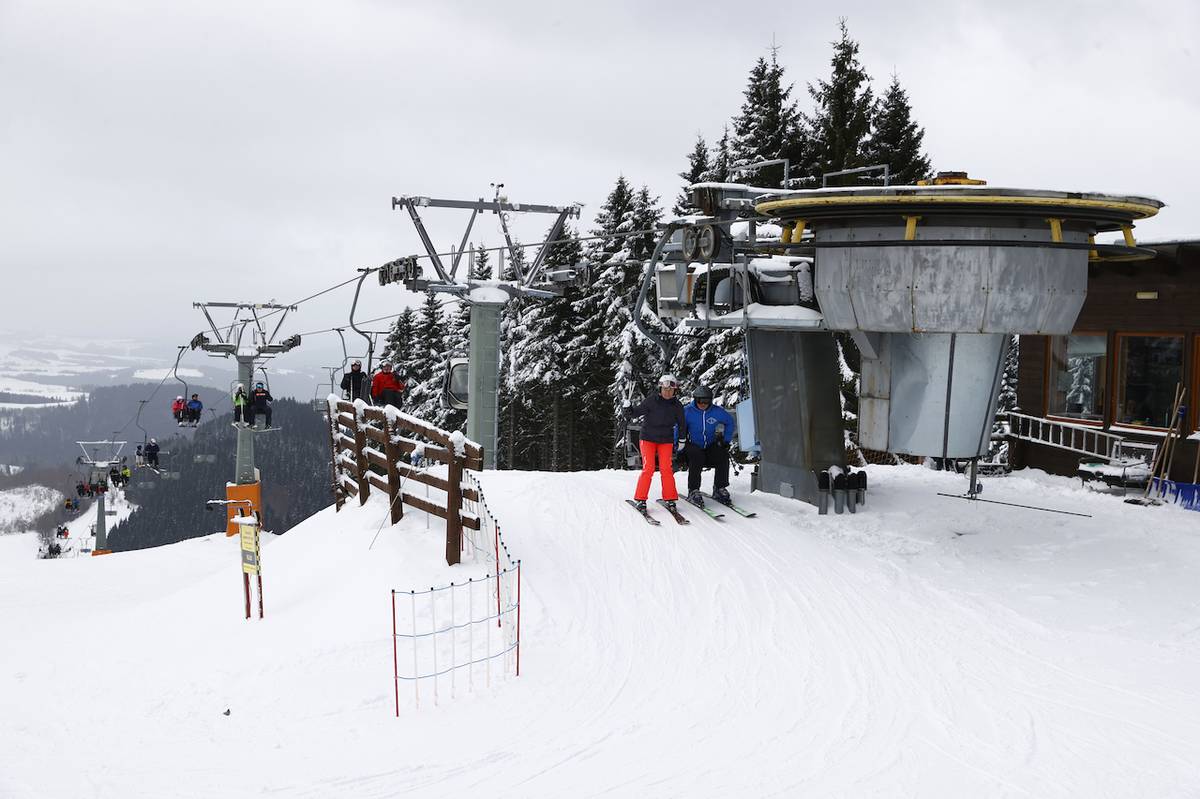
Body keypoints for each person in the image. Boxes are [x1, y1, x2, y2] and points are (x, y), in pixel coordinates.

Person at [625, 374, 687, 512]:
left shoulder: (677, 405)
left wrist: (682, 439)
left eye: (671, 390)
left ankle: (670, 498)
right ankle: (641, 499)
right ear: (660, 389)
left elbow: (682, 424)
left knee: (666, 469)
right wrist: (628, 409)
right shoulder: (651, 401)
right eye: (665, 389)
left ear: (675, 391)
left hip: (666, 440)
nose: (667, 392)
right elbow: (635, 413)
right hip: (648, 438)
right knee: (649, 468)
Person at [682, 385, 737, 507]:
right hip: (692, 445)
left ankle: (719, 488)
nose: (703, 404)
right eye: (700, 401)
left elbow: (730, 422)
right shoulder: (687, 411)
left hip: (710, 445)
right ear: (695, 399)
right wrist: (678, 445)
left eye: (706, 401)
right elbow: (678, 428)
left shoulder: (716, 411)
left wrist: (726, 440)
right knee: (697, 456)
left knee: (722, 455)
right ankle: (693, 490)